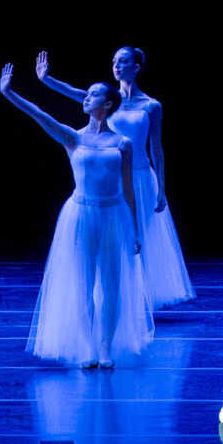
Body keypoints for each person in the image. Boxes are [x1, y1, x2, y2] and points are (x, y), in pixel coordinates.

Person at [0, 64, 152, 368]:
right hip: (81, 214)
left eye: (93, 94)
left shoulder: (122, 144)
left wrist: (134, 229)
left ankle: (106, 348)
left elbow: (129, 189)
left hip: (113, 215)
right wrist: (9, 92)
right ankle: (88, 348)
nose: (86, 97)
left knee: (111, 284)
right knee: (83, 283)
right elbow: (39, 114)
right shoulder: (74, 138)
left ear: (107, 104)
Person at [38, 48, 196, 307]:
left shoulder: (151, 106)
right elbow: (75, 93)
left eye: (123, 61)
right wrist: (47, 80)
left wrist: (162, 188)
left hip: (142, 178)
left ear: (136, 66)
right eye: (114, 62)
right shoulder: (108, 99)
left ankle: (139, 297)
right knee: (112, 238)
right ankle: (112, 296)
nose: (117, 66)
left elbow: (157, 148)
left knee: (138, 235)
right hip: (111, 178)